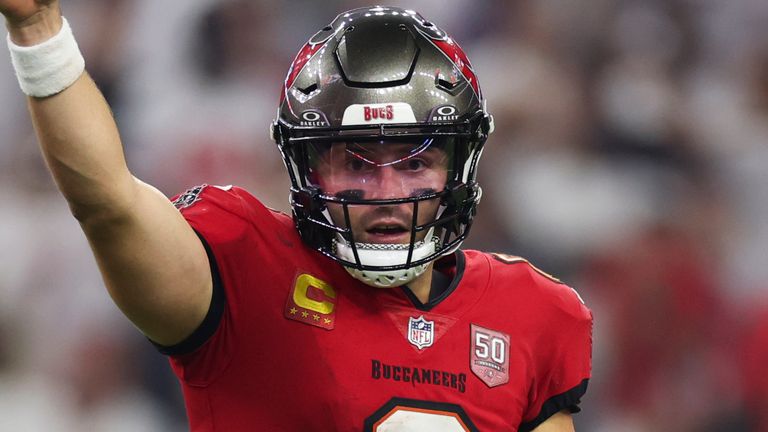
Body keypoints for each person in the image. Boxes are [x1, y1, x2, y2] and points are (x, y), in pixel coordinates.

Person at [1, 1, 592, 431]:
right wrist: (38, 30)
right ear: (306, 168)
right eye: (354, 162)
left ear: (461, 165)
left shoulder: (535, 314)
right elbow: (107, 202)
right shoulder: (246, 267)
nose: (385, 189)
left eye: (414, 160)